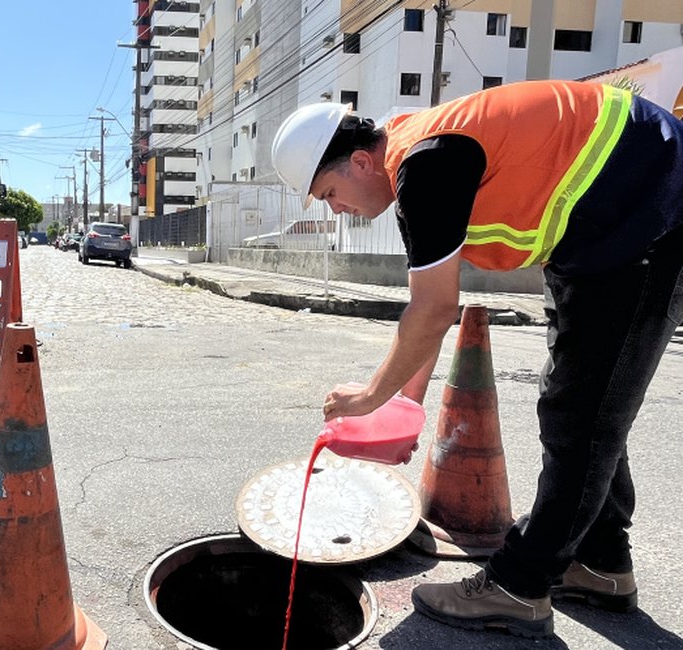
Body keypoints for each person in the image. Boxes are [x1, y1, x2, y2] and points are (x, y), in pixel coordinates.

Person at [271, 80, 683, 639]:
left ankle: (519, 587)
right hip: (597, 239)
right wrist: (404, 407)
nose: (338, 210)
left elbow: (433, 309)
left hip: (649, 212)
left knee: (582, 418)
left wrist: (370, 399)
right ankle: (601, 562)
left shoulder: (427, 164)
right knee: (584, 404)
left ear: (361, 162)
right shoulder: (413, 163)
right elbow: (434, 309)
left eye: (328, 194)